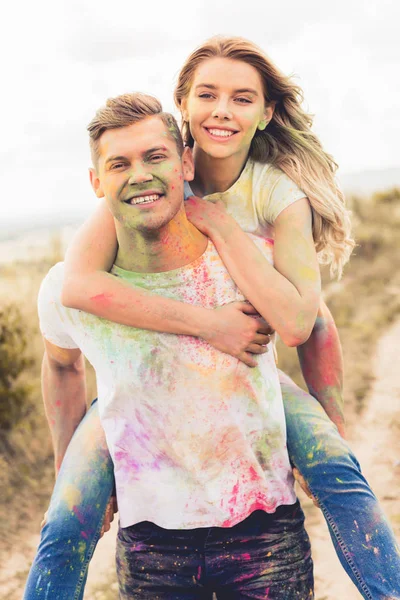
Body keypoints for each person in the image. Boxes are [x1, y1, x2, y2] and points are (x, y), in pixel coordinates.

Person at [24, 36, 400, 600]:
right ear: (185, 107)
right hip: (134, 397)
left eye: (242, 98)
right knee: (65, 519)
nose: (222, 109)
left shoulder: (275, 194)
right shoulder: (134, 184)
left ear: (266, 112)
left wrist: (333, 422)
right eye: (208, 95)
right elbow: (75, 289)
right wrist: (210, 325)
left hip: (254, 405)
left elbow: (308, 320)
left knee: (341, 472)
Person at [32, 92, 315, 599]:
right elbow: (61, 367)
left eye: (155, 156)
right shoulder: (66, 288)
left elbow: (312, 323)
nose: (139, 174)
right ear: (97, 182)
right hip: (150, 543)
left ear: (186, 162)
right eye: (119, 163)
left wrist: (326, 437)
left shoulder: (245, 261)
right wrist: (72, 468)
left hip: (264, 531)